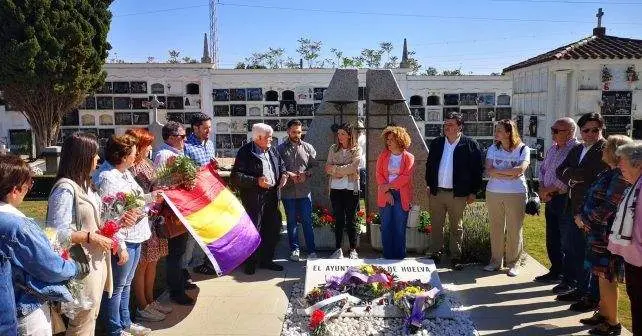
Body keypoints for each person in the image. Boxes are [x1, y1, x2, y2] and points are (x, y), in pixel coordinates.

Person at [47, 132, 128, 335]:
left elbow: (96, 221)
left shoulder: (86, 185)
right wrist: (90, 237)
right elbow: (55, 233)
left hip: (95, 262)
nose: (98, 158)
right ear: (82, 157)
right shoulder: (65, 189)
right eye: (94, 154)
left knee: (90, 317)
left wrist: (116, 226)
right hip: (80, 265)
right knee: (81, 323)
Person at [0, 154, 79, 336]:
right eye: (29, 185)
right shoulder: (17, 226)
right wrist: (74, 267)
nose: (29, 190)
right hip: (24, 309)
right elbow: (50, 267)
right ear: (15, 190)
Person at [93, 134, 152, 336]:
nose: (136, 156)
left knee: (126, 283)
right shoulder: (108, 178)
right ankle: (114, 329)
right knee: (115, 287)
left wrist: (151, 198)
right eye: (134, 152)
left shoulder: (124, 173)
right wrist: (120, 245)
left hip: (134, 234)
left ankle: (126, 323)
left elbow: (133, 200)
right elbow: (108, 217)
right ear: (124, 155)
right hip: (122, 239)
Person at [573, 135, 632, 335]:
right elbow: (591, 195)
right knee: (599, 274)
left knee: (608, 276)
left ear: (615, 151)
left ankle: (613, 322)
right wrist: (580, 215)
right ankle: (604, 312)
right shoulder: (609, 172)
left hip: (606, 235)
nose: (602, 150)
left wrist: (586, 220)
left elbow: (610, 205)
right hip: (596, 234)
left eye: (606, 147)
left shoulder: (620, 176)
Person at [556, 113, 608, 310]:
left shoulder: (604, 149)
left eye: (596, 129)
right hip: (573, 207)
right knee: (574, 250)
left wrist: (573, 176)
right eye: (586, 130)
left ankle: (593, 296)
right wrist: (572, 178)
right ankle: (580, 288)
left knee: (591, 255)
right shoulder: (577, 148)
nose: (591, 134)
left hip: (591, 210)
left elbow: (590, 175)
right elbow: (560, 170)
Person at [425, 112, 483, 270]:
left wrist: (473, 192)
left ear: (460, 127)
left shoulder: (470, 145)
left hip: (458, 194)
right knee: (436, 224)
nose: (447, 127)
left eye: (450, 124)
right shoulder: (437, 143)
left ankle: (455, 256)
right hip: (437, 192)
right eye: (445, 124)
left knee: (456, 226)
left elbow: (477, 170)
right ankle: (436, 252)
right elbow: (429, 166)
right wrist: (430, 184)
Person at [126, 128, 172, 323]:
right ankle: (142, 305)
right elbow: (133, 197)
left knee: (152, 262)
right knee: (142, 265)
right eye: (147, 144)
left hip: (152, 220)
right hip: (140, 221)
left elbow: (156, 182)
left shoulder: (147, 163)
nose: (150, 148)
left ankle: (151, 300)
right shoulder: (130, 169)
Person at [231, 123, 288, 275]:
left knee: (272, 228)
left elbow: (281, 165)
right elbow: (236, 177)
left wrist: (284, 175)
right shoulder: (245, 152)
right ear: (259, 137)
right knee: (253, 230)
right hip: (254, 197)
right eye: (269, 137)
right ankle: (250, 263)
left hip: (272, 196)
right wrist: (256, 181)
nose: (272, 139)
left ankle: (267, 260)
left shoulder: (273, 150)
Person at [153, 121, 195, 305]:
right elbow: (160, 184)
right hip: (171, 211)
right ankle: (176, 291)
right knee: (176, 252)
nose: (186, 139)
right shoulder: (164, 156)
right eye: (182, 136)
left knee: (181, 249)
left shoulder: (177, 153)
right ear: (171, 138)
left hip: (181, 209)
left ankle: (181, 281)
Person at [534, 118, 580, 283]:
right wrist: (541, 188)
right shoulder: (552, 149)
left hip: (564, 199)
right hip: (550, 198)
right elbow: (543, 169)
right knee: (552, 237)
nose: (552, 133)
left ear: (569, 132)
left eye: (556, 130)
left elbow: (568, 177)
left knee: (566, 239)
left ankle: (568, 277)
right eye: (552, 129)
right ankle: (555, 270)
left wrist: (548, 190)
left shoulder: (575, 149)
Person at [484, 119, 530, 277]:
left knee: (514, 229)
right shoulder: (493, 148)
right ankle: (495, 261)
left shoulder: (523, 149)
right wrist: (509, 172)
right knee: (496, 227)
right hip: (493, 192)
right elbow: (489, 170)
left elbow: (520, 170)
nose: (496, 133)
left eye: (499, 130)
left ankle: (513, 263)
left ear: (509, 132)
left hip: (516, 193)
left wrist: (500, 172)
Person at [609, 142, 642, 336]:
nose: (619, 166)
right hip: (634, 259)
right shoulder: (634, 185)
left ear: (637, 164)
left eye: (623, 162)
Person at [277, 119, 318, 261]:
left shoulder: (308, 148)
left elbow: (314, 166)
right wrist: (288, 174)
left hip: (304, 192)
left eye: (299, 132)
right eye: (294, 132)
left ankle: (312, 250)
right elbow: (278, 168)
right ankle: (295, 250)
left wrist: (306, 174)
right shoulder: (280, 149)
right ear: (288, 131)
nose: (297, 135)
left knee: (307, 221)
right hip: (288, 192)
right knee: (291, 222)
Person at [183, 113, 217, 276]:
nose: (208, 131)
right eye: (205, 128)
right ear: (195, 128)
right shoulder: (186, 146)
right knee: (192, 234)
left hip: (209, 194)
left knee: (205, 231)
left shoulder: (209, 144)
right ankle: (183, 268)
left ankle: (198, 263)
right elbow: (184, 172)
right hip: (193, 197)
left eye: (209, 127)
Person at [376, 126, 415, 259]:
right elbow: (379, 174)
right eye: (387, 139)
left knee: (399, 227)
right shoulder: (383, 155)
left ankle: (399, 258)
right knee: (386, 226)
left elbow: (405, 177)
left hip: (401, 195)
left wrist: (388, 186)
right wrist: (386, 191)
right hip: (385, 194)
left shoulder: (409, 157)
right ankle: (387, 256)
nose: (388, 142)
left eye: (391, 139)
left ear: (400, 140)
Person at [326, 123, 362, 259]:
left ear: (349, 135)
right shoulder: (333, 149)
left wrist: (336, 169)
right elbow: (327, 167)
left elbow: (354, 167)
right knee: (339, 219)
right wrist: (341, 170)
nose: (340, 136)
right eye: (338, 134)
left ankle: (353, 249)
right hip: (336, 188)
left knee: (351, 219)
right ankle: (338, 249)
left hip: (351, 188)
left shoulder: (357, 149)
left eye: (343, 134)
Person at [356, 121, 367, 197]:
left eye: (360, 130)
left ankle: (362, 208)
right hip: (354, 168)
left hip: (362, 167)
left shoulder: (365, 138)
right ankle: (358, 208)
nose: (358, 132)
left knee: (363, 191)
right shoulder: (352, 139)